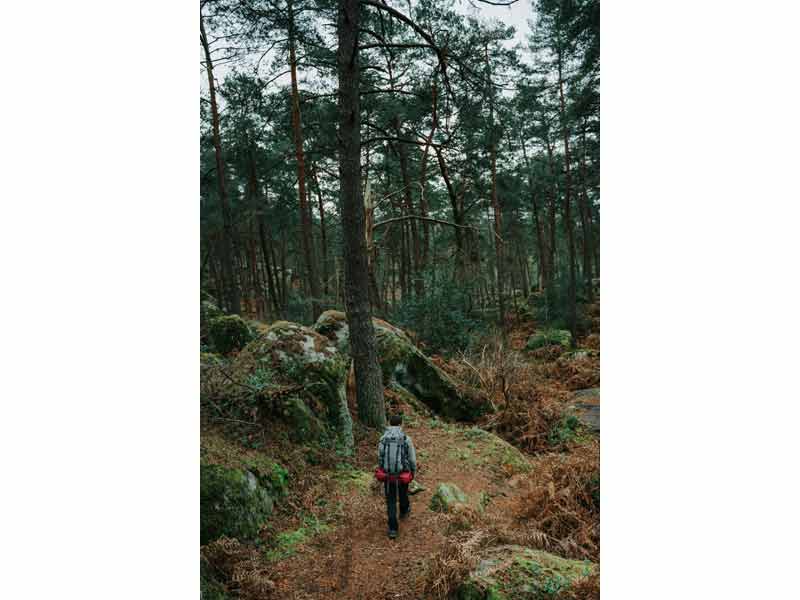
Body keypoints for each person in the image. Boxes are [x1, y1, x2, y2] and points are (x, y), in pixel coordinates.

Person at [378, 414, 417, 539]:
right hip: (402, 474)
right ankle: (404, 511)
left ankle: (393, 529)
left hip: (388, 476)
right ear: (401, 424)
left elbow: (380, 456)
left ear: (389, 423)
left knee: (390, 500)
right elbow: (411, 458)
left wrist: (382, 469)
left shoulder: (383, 438)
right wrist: (413, 471)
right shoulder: (406, 438)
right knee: (403, 494)